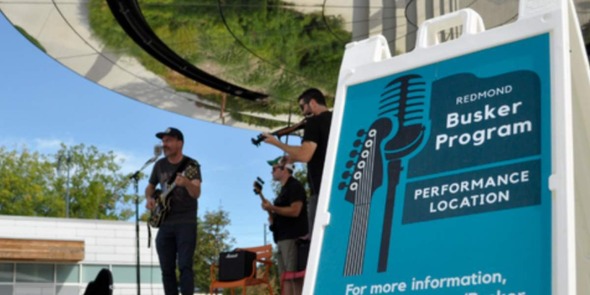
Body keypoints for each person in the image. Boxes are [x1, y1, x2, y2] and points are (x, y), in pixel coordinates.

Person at [263, 88, 332, 236]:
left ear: (312, 103)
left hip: (321, 190)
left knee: (320, 238)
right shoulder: (337, 119)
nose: (302, 112)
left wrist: (277, 143)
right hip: (339, 186)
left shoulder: (313, 122)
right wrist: (293, 157)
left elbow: (306, 154)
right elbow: (320, 151)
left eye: (302, 107)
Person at [145, 127, 202, 295]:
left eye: (168, 141)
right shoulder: (159, 165)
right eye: (163, 141)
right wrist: (149, 199)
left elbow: (196, 192)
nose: (164, 145)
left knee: (185, 266)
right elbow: (150, 187)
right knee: (166, 270)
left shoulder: (192, 165)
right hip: (165, 222)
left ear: (180, 143)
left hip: (186, 222)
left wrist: (186, 183)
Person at [261, 156, 308, 295]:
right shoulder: (283, 191)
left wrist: (273, 208)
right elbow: (277, 217)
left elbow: (295, 211)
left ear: (284, 169)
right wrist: (270, 212)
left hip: (292, 238)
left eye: (274, 168)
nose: (271, 172)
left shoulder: (295, 186)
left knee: (295, 277)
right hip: (282, 239)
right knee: (285, 278)